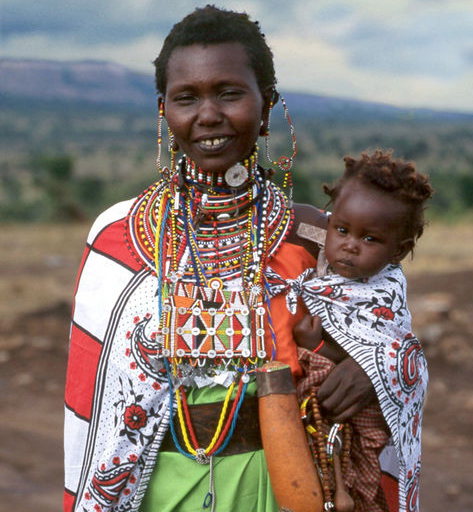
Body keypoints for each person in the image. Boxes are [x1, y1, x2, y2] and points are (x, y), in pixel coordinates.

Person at [62, 6, 373, 512]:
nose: (208, 115)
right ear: (165, 112)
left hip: (283, 482)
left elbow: (391, 338)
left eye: (229, 93)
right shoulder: (116, 237)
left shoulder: (320, 238)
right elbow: (91, 397)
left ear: (266, 106)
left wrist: (370, 370)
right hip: (156, 488)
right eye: (187, 98)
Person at [268, 150, 433, 512]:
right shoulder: (313, 267)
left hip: (350, 423)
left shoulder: (383, 290)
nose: (349, 245)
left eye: (370, 239)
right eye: (341, 230)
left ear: (399, 251)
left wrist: (317, 346)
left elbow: (375, 354)